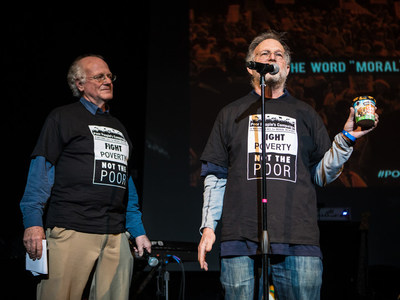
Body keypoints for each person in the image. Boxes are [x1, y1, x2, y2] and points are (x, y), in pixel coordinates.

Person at [197, 30, 378, 300]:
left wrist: (346, 139)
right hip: (240, 239)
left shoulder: (305, 113)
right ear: (251, 66)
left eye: (279, 54)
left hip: (299, 240)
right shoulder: (230, 114)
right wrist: (208, 227)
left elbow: (322, 174)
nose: (272, 57)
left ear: (288, 68)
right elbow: (215, 175)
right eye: (265, 54)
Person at [20, 54, 152, 300]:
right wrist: (33, 222)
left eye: (110, 76)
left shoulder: (119, 126)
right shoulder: (62, 118)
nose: (107, 81)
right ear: (79, 84)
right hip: (72, 228)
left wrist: (137, 230)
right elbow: (40, 172)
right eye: (99, 76)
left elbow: (126, 183)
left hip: (115, 234)